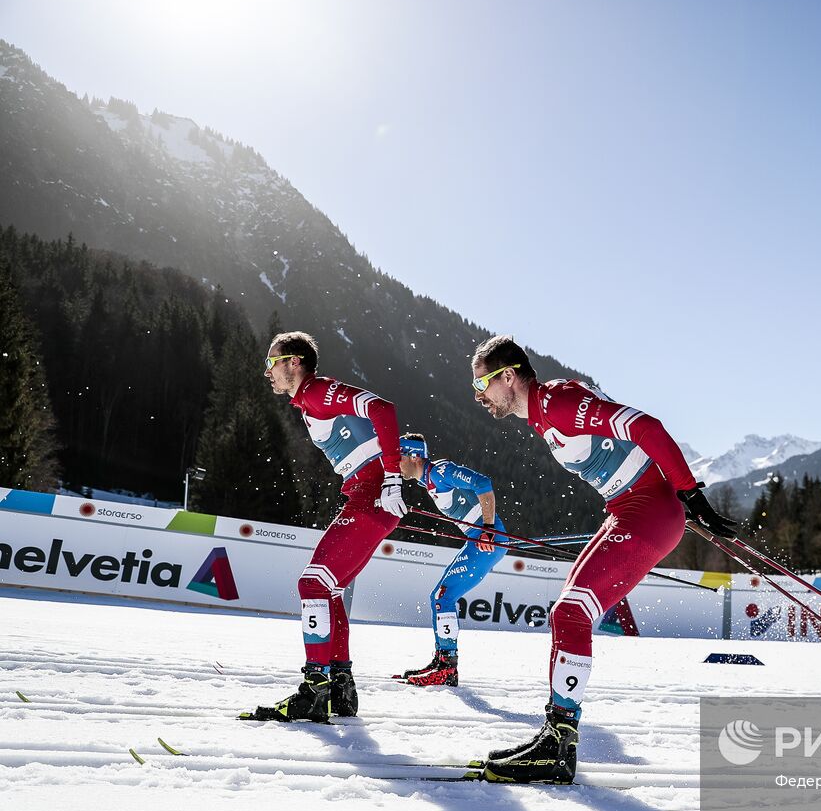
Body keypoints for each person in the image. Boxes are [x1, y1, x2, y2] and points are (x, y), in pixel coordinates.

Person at [468, 334, 736, 783]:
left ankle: (556, 748)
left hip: (647, 510)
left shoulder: (556, 402)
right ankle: (553, 738)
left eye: (483, 385)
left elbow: (646, 427)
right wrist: (669, 488)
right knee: (565, 614)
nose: (478, 397)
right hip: (630, 508)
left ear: (508, 376)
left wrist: (687, 491)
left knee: (572, 614)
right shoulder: (542, 413)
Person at [243, 331, 406, 723]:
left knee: (312, 585)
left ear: (293, 362)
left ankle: (313, 691)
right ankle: (339, 689)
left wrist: (392, 478)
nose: (268, 373)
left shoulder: (316, 391)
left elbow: (383, 409)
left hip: (371, 496)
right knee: (328, 591)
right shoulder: (308, 401)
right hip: (367, 497)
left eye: (272, 363)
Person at [393, 432, 505, 687]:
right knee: (439, 597)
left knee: (443, 596)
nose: (395, 463)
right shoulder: (426, 480)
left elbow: (483, 482)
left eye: (398, 457)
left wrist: (488, 529)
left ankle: (447, 668)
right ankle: (441, 661)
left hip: (487, 539)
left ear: (414, 456)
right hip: (478, 537)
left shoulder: (441, 471)